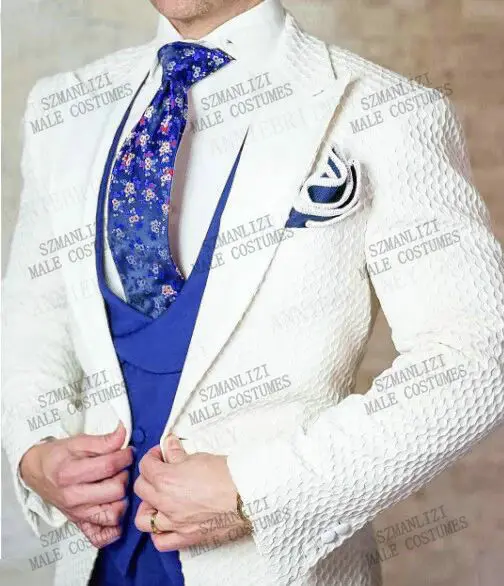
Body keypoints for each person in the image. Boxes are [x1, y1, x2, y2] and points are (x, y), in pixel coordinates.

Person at [3, 0, 504, 585]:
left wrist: (260, 493)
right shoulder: (63, 108)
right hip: (94, 563)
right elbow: (31, 319)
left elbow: (477, 357)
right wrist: (32, 449)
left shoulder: (388, 111)